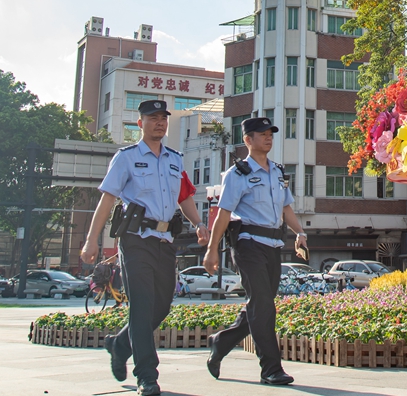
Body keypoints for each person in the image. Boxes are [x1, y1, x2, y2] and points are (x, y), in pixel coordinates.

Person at [80, 99, 208, 396]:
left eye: (163, 117)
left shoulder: (175, 158)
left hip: (165, 240)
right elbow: (107, 199)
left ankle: (119, 344)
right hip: (135, 239)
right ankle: (147, 376)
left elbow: (183, 196)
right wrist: (91, 240)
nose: (160, 122)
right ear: (140, 123)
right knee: (141, 306)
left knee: (161, 306)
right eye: (152, 118)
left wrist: (199, 223)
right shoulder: (125, 158)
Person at [205, 117, 308, 386]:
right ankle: (271, 369)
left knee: (258, 305)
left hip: (274, 246)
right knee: (264, 306)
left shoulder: (278, 172)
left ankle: (221, 342)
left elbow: (287, 209)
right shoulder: (236, 174)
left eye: (270, 133)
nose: (268, 137)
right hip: (248, 244)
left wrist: (300, 233)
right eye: (262, 134)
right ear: (248, 140)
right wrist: (211, 250)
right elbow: (224, 214)